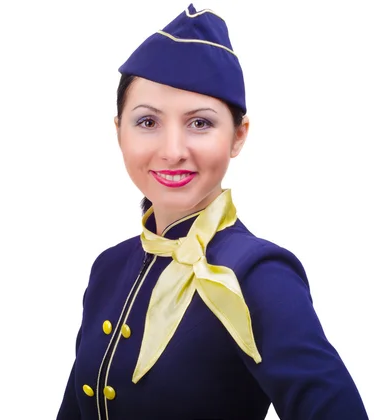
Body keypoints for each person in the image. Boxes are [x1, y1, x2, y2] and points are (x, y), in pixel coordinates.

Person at [56, 4, 369, 420]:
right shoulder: (109, 267)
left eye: (200, 123)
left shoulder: (258, 273)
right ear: (119, 131)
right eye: (147, 122)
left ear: (238, 136)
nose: (171, 151)